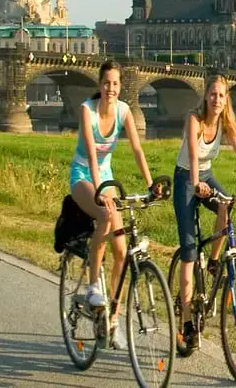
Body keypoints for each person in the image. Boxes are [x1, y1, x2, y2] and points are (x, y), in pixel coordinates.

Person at [173, 74, 236, 349]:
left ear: (226, 100)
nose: (216, 99)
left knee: (226, 206)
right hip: (186, 179)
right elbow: (191, 154)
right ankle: (188, 325)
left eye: (221, 95)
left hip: (207, 175)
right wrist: (195, 184)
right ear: (206, 96)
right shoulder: (195, 120)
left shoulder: (226, 122)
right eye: (212, 94)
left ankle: (213, 262)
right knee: (189, 251)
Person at [69, 59, 157, 349]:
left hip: (106, 177)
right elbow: (93, 157)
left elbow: (136, 148)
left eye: (116, 84)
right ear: (100, 84)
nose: (111, 88)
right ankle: (94, 285)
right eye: (106, 83)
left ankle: (113, 319)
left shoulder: (123, 111)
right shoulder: (87, 110)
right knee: (105, 216)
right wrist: (100, 193)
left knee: (121, 251)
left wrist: (150, 184)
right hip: (83, 175)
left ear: (120, 86)